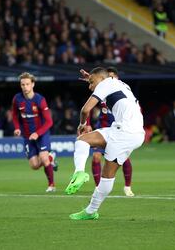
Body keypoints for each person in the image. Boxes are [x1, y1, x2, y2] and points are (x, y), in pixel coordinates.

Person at [66, 67, 144, 220]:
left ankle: (79, 173)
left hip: (124, 132)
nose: (89, 87)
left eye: (91, 83)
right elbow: (103, 80)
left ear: (101, 79)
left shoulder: (104, 84)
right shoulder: (119, 83)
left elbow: (85, 109)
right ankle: (90, 211)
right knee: (107, 176)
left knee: (82, 139)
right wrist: (92, 78)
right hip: (133, 133)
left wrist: (82, 124)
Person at [80, 67, 135, 197]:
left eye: (111, 78)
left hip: (120, 131)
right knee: (96, 157)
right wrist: (91, 79)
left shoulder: (122, 93)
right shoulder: (103, 92)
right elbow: (89, 107)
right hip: (104, 128)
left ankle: (127, 186)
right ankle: (98, 187)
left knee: (123, 160)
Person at [12, 72, 57, 192]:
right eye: (22, 84)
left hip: (41, 134)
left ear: (33, 84)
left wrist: (38, 133)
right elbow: (15, 115)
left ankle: (51, 185)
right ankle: (51, 157)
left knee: (43, 158)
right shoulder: (17, 99)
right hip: (27, 136)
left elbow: (49, 122)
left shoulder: (40, 100)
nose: (25, 87)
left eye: (27, 84)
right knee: (34, 165)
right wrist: (17, 128)